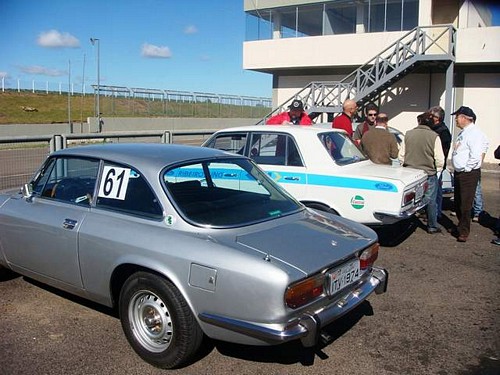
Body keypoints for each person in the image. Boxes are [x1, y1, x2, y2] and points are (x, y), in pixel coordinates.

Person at [399, 112, 444, 234]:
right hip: (428, 172)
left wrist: (405, 167)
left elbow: (401, 155)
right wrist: (437, 170)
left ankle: (406, 221)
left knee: (410, 200)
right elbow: (440, 158)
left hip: (410, 172)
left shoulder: (408, 134)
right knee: (430, 200)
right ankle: (432, 225)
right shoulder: (434, 136)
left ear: (419, 121)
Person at [450, 106, 489, 242]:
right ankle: (461, 226)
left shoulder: (474, 133)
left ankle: (464, 232)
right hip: (460, 172)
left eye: (457, 117)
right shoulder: (464, 132)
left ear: (465, 118)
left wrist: (467, 168)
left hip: (468, 173)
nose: (455, 120)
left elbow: (476, 154)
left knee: (465, 204)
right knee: (459, 202)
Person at [428, 106, 451, 219]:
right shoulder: (431, 129)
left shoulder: (443, 131)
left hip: (437, 165)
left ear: (437, 118)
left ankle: (436, 213)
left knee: (436, 191)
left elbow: (445, 150)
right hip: (429, 163)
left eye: (431, 116)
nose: (429, 118)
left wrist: (440, 165)